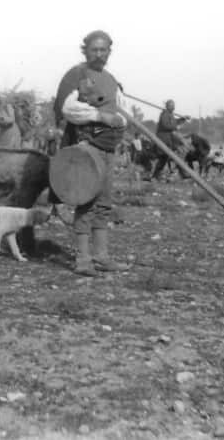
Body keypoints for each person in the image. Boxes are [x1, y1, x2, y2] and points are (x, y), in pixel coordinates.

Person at [54, 30, 129, 276]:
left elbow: (121, 110)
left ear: (109, 52)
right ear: (85, 50)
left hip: (108, 148)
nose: (99, 54)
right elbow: (68, 108)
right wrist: (100, 116)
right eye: (94, 49)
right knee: (87, 201)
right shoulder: (77, 74)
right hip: (87, 147)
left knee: (104, 203)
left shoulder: (110, 79)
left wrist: (119, 120)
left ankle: (101, 256)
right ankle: (83, 260)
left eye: (104, 50)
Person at [151, 99, 190, 181]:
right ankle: (184, 174)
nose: (173, 107)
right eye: (171, 106)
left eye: (174, 105)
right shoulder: (164, 114)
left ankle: (155, 176)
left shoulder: (170, 114)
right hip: (163, 139)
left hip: (168, 139)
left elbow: (174, 122)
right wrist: (176, 127)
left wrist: (183, 119)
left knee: (164, 158)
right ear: (167, 106)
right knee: (174, 156)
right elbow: (166, 125)